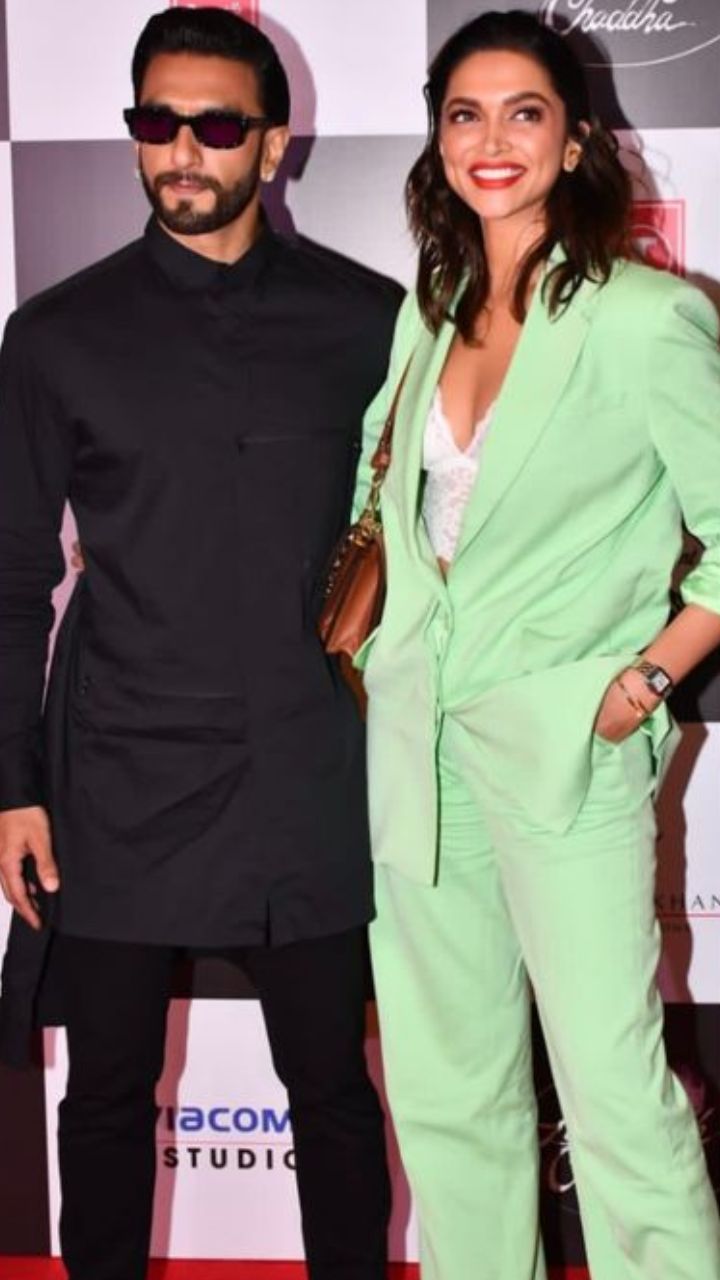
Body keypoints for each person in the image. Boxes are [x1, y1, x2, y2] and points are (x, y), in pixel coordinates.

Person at [0, 9, 401, 1280]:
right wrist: (13, 783)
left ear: (273, 145)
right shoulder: (54, 335)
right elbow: (10, 576)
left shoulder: (373, 322)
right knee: (105, 1097)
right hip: (119, 771)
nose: (183, 148)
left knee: (332, 1092)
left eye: (218, 125)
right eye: (156, 121)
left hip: (306, 766)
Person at [352, 11, 720, 1279]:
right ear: (438, 139)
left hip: (568, 744)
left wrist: (646, 678)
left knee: (614, 1095)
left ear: (574, 142)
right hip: (421, 746)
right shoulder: (432, 310)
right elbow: (388, 501)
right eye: (466, 113)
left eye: (525, 112)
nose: (492, 139)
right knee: (449, 1093)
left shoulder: (645, 318)